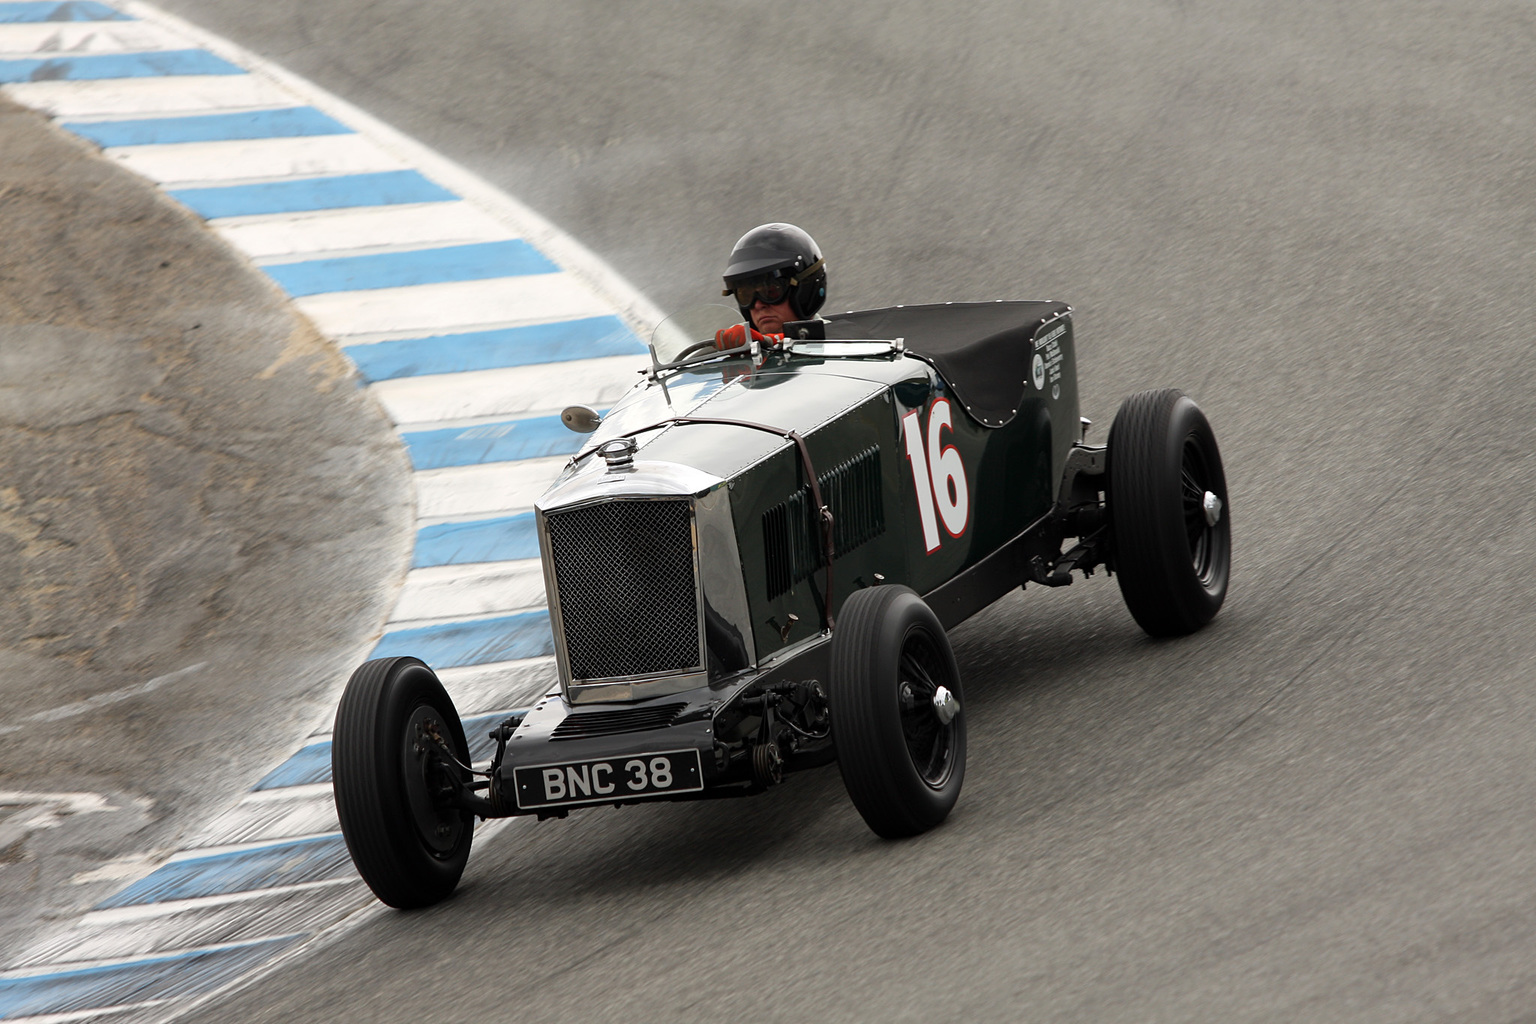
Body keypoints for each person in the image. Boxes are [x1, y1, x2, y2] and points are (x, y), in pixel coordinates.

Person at [714, 223, 828, 350]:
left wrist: (772, 341)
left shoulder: (842, 345)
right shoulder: (738, 347)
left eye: (770, 291)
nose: (758, 305)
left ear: (805, 292)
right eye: (746, 295)